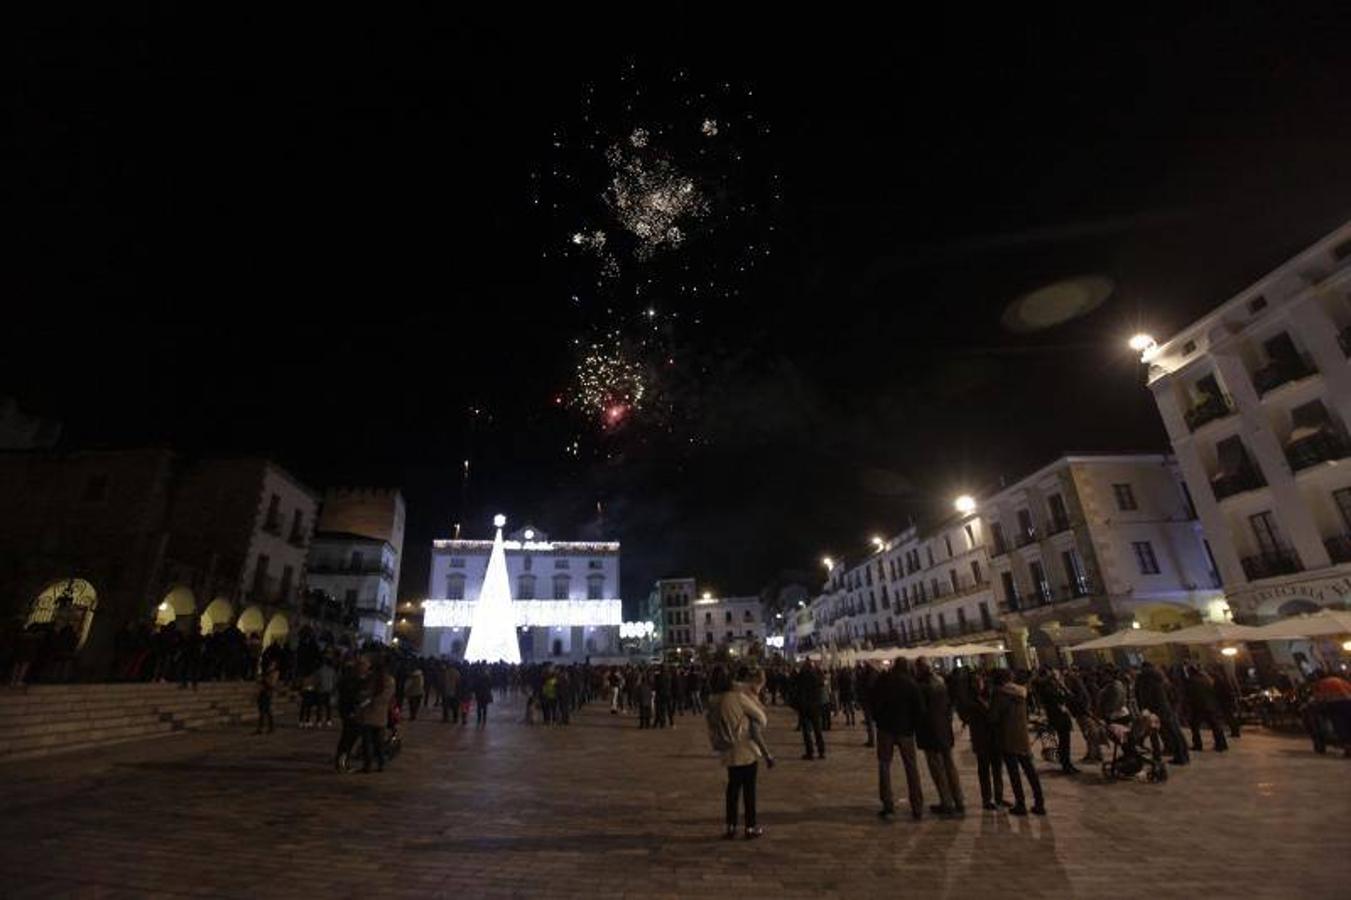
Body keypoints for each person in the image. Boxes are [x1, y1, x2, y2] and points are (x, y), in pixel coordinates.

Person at [706, 665, 768, 840]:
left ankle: (731, 826)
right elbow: (761, 718)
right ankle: (750, 826)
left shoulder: (712, 701)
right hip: (746, 748)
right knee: (749, 790)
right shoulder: (737, 697)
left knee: (732, 789)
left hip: (728, 749)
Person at [869, 658, 925, 820]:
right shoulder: (911, 683)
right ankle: (917, 806)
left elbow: (874, 701)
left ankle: (888, 805)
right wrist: (913, 725)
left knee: (884, 766)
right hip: (905, 730)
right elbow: (920, 709)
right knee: (911, 767)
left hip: (885, 729)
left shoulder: (883, 680)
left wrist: (878, 719)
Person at [989, 669, 1045, 816]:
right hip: (1022, 735)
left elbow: (993, 717)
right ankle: (1040, 803)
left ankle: (1020, 804)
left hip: (1007, 737)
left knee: (1014, 773)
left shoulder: (999, 694)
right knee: (1030, 771)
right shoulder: (1021, 692)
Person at [915, 657, 964, 815]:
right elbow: (948, 707)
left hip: (930, 732)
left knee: (937, 769)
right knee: (950, 766)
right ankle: (959, 799)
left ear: (920, 669)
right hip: (944, 730)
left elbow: (920, 711)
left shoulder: (922, 687)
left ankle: (946, 802)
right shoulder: (941, 684)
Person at [965, 671, 1006, 810]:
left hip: (994, 738)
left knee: (997, 769)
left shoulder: (991, 696)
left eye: (980, 681)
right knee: (984, 771)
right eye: (975, 682)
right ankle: (987, 799)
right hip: (981, 739)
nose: (978, 684)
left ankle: (999, 797)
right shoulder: (970, 701)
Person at [1136, 661, 1188, 765]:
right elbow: (1171, 693)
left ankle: (1157, 757)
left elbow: (1143, 697)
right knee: (1174, 733)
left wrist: (1144, 708)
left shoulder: (1143, 679)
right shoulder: (1160, 678)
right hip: (1165, 708)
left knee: (1153, 735)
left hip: (1153, 710)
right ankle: (1182, 756)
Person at [1032, 667, 1079, 775]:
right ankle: (1066, 764)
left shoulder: (1047, 687)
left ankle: (1066, 763)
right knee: (1064, 742)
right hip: (1059, 717)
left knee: (1064, 742)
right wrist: (1063, 688)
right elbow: (1063, 698)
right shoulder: (1048, 688)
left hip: (1058, 716)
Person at [1183, 665, 1228, 753]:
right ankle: (1221, 744)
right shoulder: (1206, 679)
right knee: (1215, 726)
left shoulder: (1191, 681)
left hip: (1199, 707)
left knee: (1194, 726)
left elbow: (1190, 695)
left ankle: (1198, 744)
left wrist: (1189, 707)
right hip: (1210, 705)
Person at [360, 659, 394, 773]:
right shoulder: (389, 681)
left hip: (368, 714)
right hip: (381, 716)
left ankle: (368, 765)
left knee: (368, 743)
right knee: (379, 743)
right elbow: (387, 697)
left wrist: (368, 699)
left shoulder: (371, 679)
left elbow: (364, 694)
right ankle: (380, 764)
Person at [793, 661, 827, 760]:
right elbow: (822, 683)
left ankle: (810, 752)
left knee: (807, 731)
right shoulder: (816, 676)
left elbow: (795, 686)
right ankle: (821, 751)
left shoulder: (801, 676)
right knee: (818, 730)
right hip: (815, 706)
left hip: (804, 706)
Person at [255, 660, 279, 734]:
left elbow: (272, 683)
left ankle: (271, 727)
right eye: (270, 664)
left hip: (268, 692)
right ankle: (260, 728)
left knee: (267, 710)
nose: (270, 666)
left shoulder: (275, 673)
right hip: (262, 692)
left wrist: (264, 680)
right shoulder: (266, 672)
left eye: (272, 664)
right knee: (262, 711)